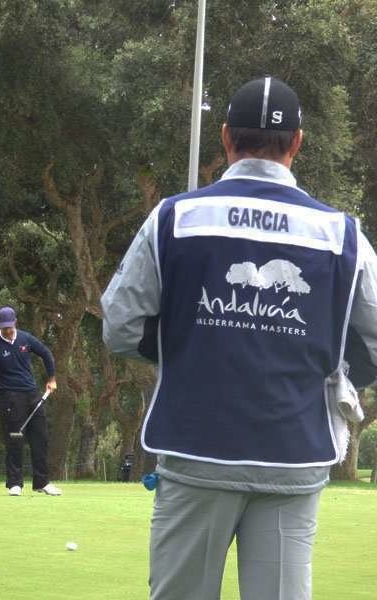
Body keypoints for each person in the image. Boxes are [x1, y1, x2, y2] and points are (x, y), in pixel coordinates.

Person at [101, 77, 377, 600]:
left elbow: (120, 327)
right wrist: (333, 373)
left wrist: (187, 354)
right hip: (294, 453)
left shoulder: (173, 218)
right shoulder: (343, 234)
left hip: (193, 447)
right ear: (297, 143)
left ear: (226, 137)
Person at [0, 306, 61, 496]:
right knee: (14, 439)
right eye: (3, 327)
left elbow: (46, 353)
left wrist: (51, 378)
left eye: (10, 326)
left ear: (15, 322)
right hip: (10, 398)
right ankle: (15, 483)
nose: (7, 330)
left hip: (33, 394)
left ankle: (42, 482)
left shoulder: (25, 338)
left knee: (40, 439)